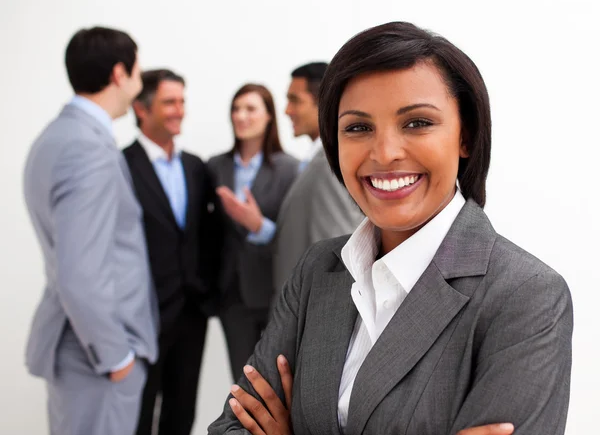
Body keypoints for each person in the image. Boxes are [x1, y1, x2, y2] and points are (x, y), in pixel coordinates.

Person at [208, 22, 573, 435]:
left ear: (465, 137)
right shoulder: (319, 269)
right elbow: (229, 427)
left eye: (417, 122)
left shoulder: (526, 295)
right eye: (358, 127)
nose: (384, 153)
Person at [23, 27, 158, 435]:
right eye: (137, 69)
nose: (140, 78)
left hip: (81, 349)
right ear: (120, 73)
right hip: (96, 358)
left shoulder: (56, 136)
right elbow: (79, 274)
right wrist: (116, 359)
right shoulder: (87, 148)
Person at [123, 69, 221, 435]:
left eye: (182, 101)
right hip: (141, 315)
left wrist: (207, 287)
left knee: (181, 415)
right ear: (142, 108)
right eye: (169, 102)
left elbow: (210, 235)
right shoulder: (121, 166)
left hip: (191, 311)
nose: (179, 110)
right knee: (137, 416)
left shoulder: (196, 167)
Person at [207, 84, 298, 380]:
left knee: (279, 380)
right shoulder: (215, 167)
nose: (241, 116)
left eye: (250, 108)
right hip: (232, 294)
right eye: (236, 108)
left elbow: (292, 234)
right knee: (243, 382)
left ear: (269, 116)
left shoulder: (291, 169)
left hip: (275, 289)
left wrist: (258, 226)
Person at [273, 62, 363, 292]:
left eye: (295, 100)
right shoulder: (314, 160)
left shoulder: (332, 163)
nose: (286, 110)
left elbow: (337, 252)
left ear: (323, 103)